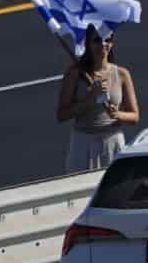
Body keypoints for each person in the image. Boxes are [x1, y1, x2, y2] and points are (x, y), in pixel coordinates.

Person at [57, 27, 138, 172]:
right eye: (97, 40)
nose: (103, 44)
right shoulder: (74, 74)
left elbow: (134, 116)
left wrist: (117, 115)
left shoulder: (122, 74)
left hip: (113, 143)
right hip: (83, 145)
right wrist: (90, 99)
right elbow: (62, 114)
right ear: (88, 43)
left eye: (107, 40)